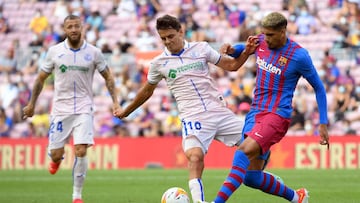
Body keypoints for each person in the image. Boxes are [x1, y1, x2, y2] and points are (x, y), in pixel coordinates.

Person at [114, 14, 259, 203]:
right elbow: (147, 91)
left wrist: (246, 52)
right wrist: (127, 110)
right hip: (193, 117)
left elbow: (232, 65)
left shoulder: (202, 48)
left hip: (220, 112)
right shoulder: (159, 64)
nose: (167, 41)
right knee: (195, 156)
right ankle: (199, 201)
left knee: (258, 146)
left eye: (171, 36)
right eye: (163, 38)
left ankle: (280, 189)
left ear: (181, 31)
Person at [206, 12, 329, 203]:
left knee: (243, 151)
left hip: (277, 115)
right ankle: (298, 198)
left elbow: (319, 88)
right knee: (250, 178)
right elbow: (244, 49)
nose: (266, 39)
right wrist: (232, 50)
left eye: (270, 35)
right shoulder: (262, 41)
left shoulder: (299, 56)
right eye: (264, 34)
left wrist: (322, 123)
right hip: (255, 113)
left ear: (282, 31)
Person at [22, 15, 120, 203]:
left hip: (84, 108)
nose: (74, 29)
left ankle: (77, 195)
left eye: (76, 26)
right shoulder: (54, 52)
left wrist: (115, 101)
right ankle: (55, 158)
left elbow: (108, 77)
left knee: (81, 150)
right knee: (56, 153)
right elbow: (40, 79)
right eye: (70, 27)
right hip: (60, 109)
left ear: (82, 27)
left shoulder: (94, 52)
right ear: (64, 29)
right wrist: (32, 103)